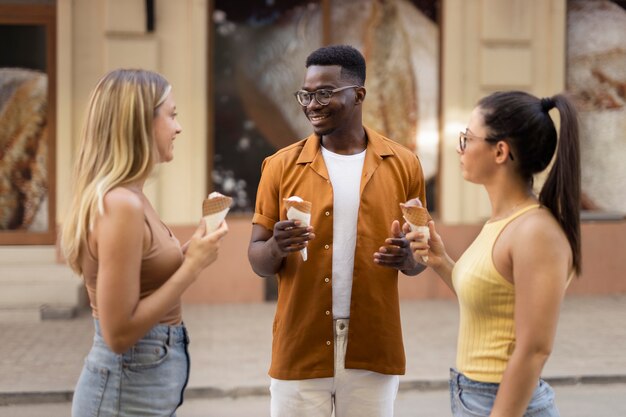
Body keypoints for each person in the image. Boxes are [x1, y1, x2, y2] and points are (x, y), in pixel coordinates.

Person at [248, 44, 427, 417]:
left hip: (372, 344)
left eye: (325, 93)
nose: (312, 103)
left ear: (358, 94)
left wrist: (408, 256)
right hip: (300, 344)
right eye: (306, 94)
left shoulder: (404, 165)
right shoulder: (279, 166)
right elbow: (259, 260)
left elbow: (420, 259)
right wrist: (277, 247)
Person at [61, 69, 228, 417]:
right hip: (125, 392)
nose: (178, 128)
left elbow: (145, 282)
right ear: (140, 123)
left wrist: (193, 247)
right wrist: (193, 266)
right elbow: (119, 333)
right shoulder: (121, 204)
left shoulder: (130, 196)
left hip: (136, 385)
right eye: (172, 115)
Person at [407, 91, 580, 417]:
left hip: (503, 401)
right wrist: (441, 261)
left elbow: (534, 350)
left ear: (500, 151)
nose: (460, 148)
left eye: (467, 138)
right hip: (473, 394)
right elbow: (492, 299)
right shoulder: (503, 222)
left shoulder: (535, 232)